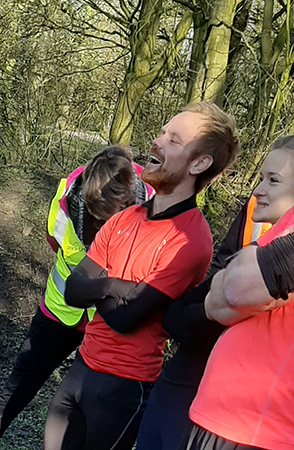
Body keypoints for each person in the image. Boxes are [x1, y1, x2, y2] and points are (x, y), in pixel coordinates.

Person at [42, 101, 239, 450]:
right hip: (80, 369)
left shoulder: (189, 240)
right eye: (162, 132)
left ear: (200, 163)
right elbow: (73, 290)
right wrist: (113, 285)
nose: (157, 142)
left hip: (123, 389)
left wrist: (94, 287)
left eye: (174, 140)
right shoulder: (124, 217)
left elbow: (125, 318)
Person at [0, 145, 152, 449]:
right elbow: (55, 242)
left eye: (110, 223)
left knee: (84, 409)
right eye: (95, 221)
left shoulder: (154, 202)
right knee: (18, 386)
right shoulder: (65, 199)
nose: (102, 231)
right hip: (61, 309)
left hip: (111, 321)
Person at [135, 136, 294, 450]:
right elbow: (220, 287)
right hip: (220, 415)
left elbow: (232, 290)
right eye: (260, 178)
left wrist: (230, 283)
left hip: (251, 428)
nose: (257, 190)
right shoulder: (269, 231)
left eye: (273, 181)